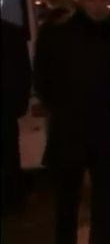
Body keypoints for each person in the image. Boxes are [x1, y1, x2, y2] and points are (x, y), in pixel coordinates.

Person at [33, 0, 110, 244]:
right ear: (79, 0)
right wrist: (61, 107)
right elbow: (43, 77)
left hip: (107, 131)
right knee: (67, 202)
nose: (99, 6)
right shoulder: (58, 34)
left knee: (106, 203)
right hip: (71, 130)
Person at [1, 20, 32, 215]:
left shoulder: (11, 32)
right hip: (7, 107)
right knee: (8, 153)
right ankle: (11, 197)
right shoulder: (12, 32)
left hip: (7, 106)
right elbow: (23, 72)